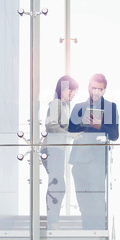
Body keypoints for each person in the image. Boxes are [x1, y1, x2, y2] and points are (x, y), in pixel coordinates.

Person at [68, 73, 119, 230]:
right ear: (88, 87)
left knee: (96, 195)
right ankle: (87, 229)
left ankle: (98, 230)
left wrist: (100, 127)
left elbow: (115, 135)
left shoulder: (111, 107)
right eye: (93, 88)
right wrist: (83, 125)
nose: (96, 92)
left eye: (100, 89)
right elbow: (69, 129)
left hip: (97, 158)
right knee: (82, 197)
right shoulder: (78, 107)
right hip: (79, 159)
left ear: (104, 90)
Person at [42, 75, 78, 229]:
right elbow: (50, 125)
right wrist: (70, 133)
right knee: (57, 184)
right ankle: (52, 222)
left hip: (58, 149)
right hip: (52, 148)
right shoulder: (56, 103)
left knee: (57, 183)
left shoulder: (65, 107)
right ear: (63, 90)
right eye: (71, 92)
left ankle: (53, 221)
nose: (73, 95)